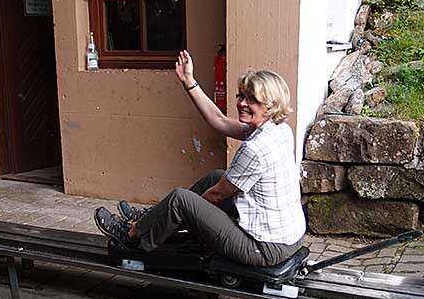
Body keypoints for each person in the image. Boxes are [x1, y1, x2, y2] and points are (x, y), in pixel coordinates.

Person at [94, 50, 306, 268]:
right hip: (288, 238)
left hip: (263, 249)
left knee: (181, 200)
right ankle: (150, 220)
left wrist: (187, 213)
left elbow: (215, 196)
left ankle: (132, 235)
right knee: (216, 177)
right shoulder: (279, 129)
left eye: (252, 99)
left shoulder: (254, 149)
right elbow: (219, 120)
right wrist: (189, 81)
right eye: (241, 96)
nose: (242, 103)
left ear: (270, 105)